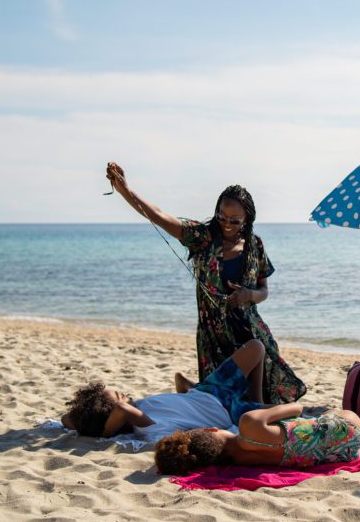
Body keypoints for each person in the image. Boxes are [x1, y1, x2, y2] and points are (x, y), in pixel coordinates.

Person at [104, 162, 305, 404]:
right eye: (222, 217)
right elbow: (158, 215)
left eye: (235, 221)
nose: (227, 225)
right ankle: (191, 388)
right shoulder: (201, 237)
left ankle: (189, 387)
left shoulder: (255, 245)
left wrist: (248, 295)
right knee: (221, 399)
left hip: (250, 328)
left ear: (247, 219)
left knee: (265, 396)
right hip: (214, 333)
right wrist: (125, 189)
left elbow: (264, 291)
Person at [61, 340, 268, 440]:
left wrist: (90, 421)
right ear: (117, 415)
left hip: (207, 391)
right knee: (285, 410)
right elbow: (123, 411)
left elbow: (67, 419)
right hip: (227, 411)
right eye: (120, 397)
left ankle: (190, 390)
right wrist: (105, 433)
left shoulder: (138, 408)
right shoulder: (146, 425)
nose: (125, 395)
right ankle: (256, 403)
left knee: (256, 347)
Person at [154, 404, 360, 474]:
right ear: (213, 431)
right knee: (334, 414)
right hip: (349, 433)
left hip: (342, 454)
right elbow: (295, 407)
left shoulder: (240, 459)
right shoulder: (248, 424)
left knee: (325, 430)